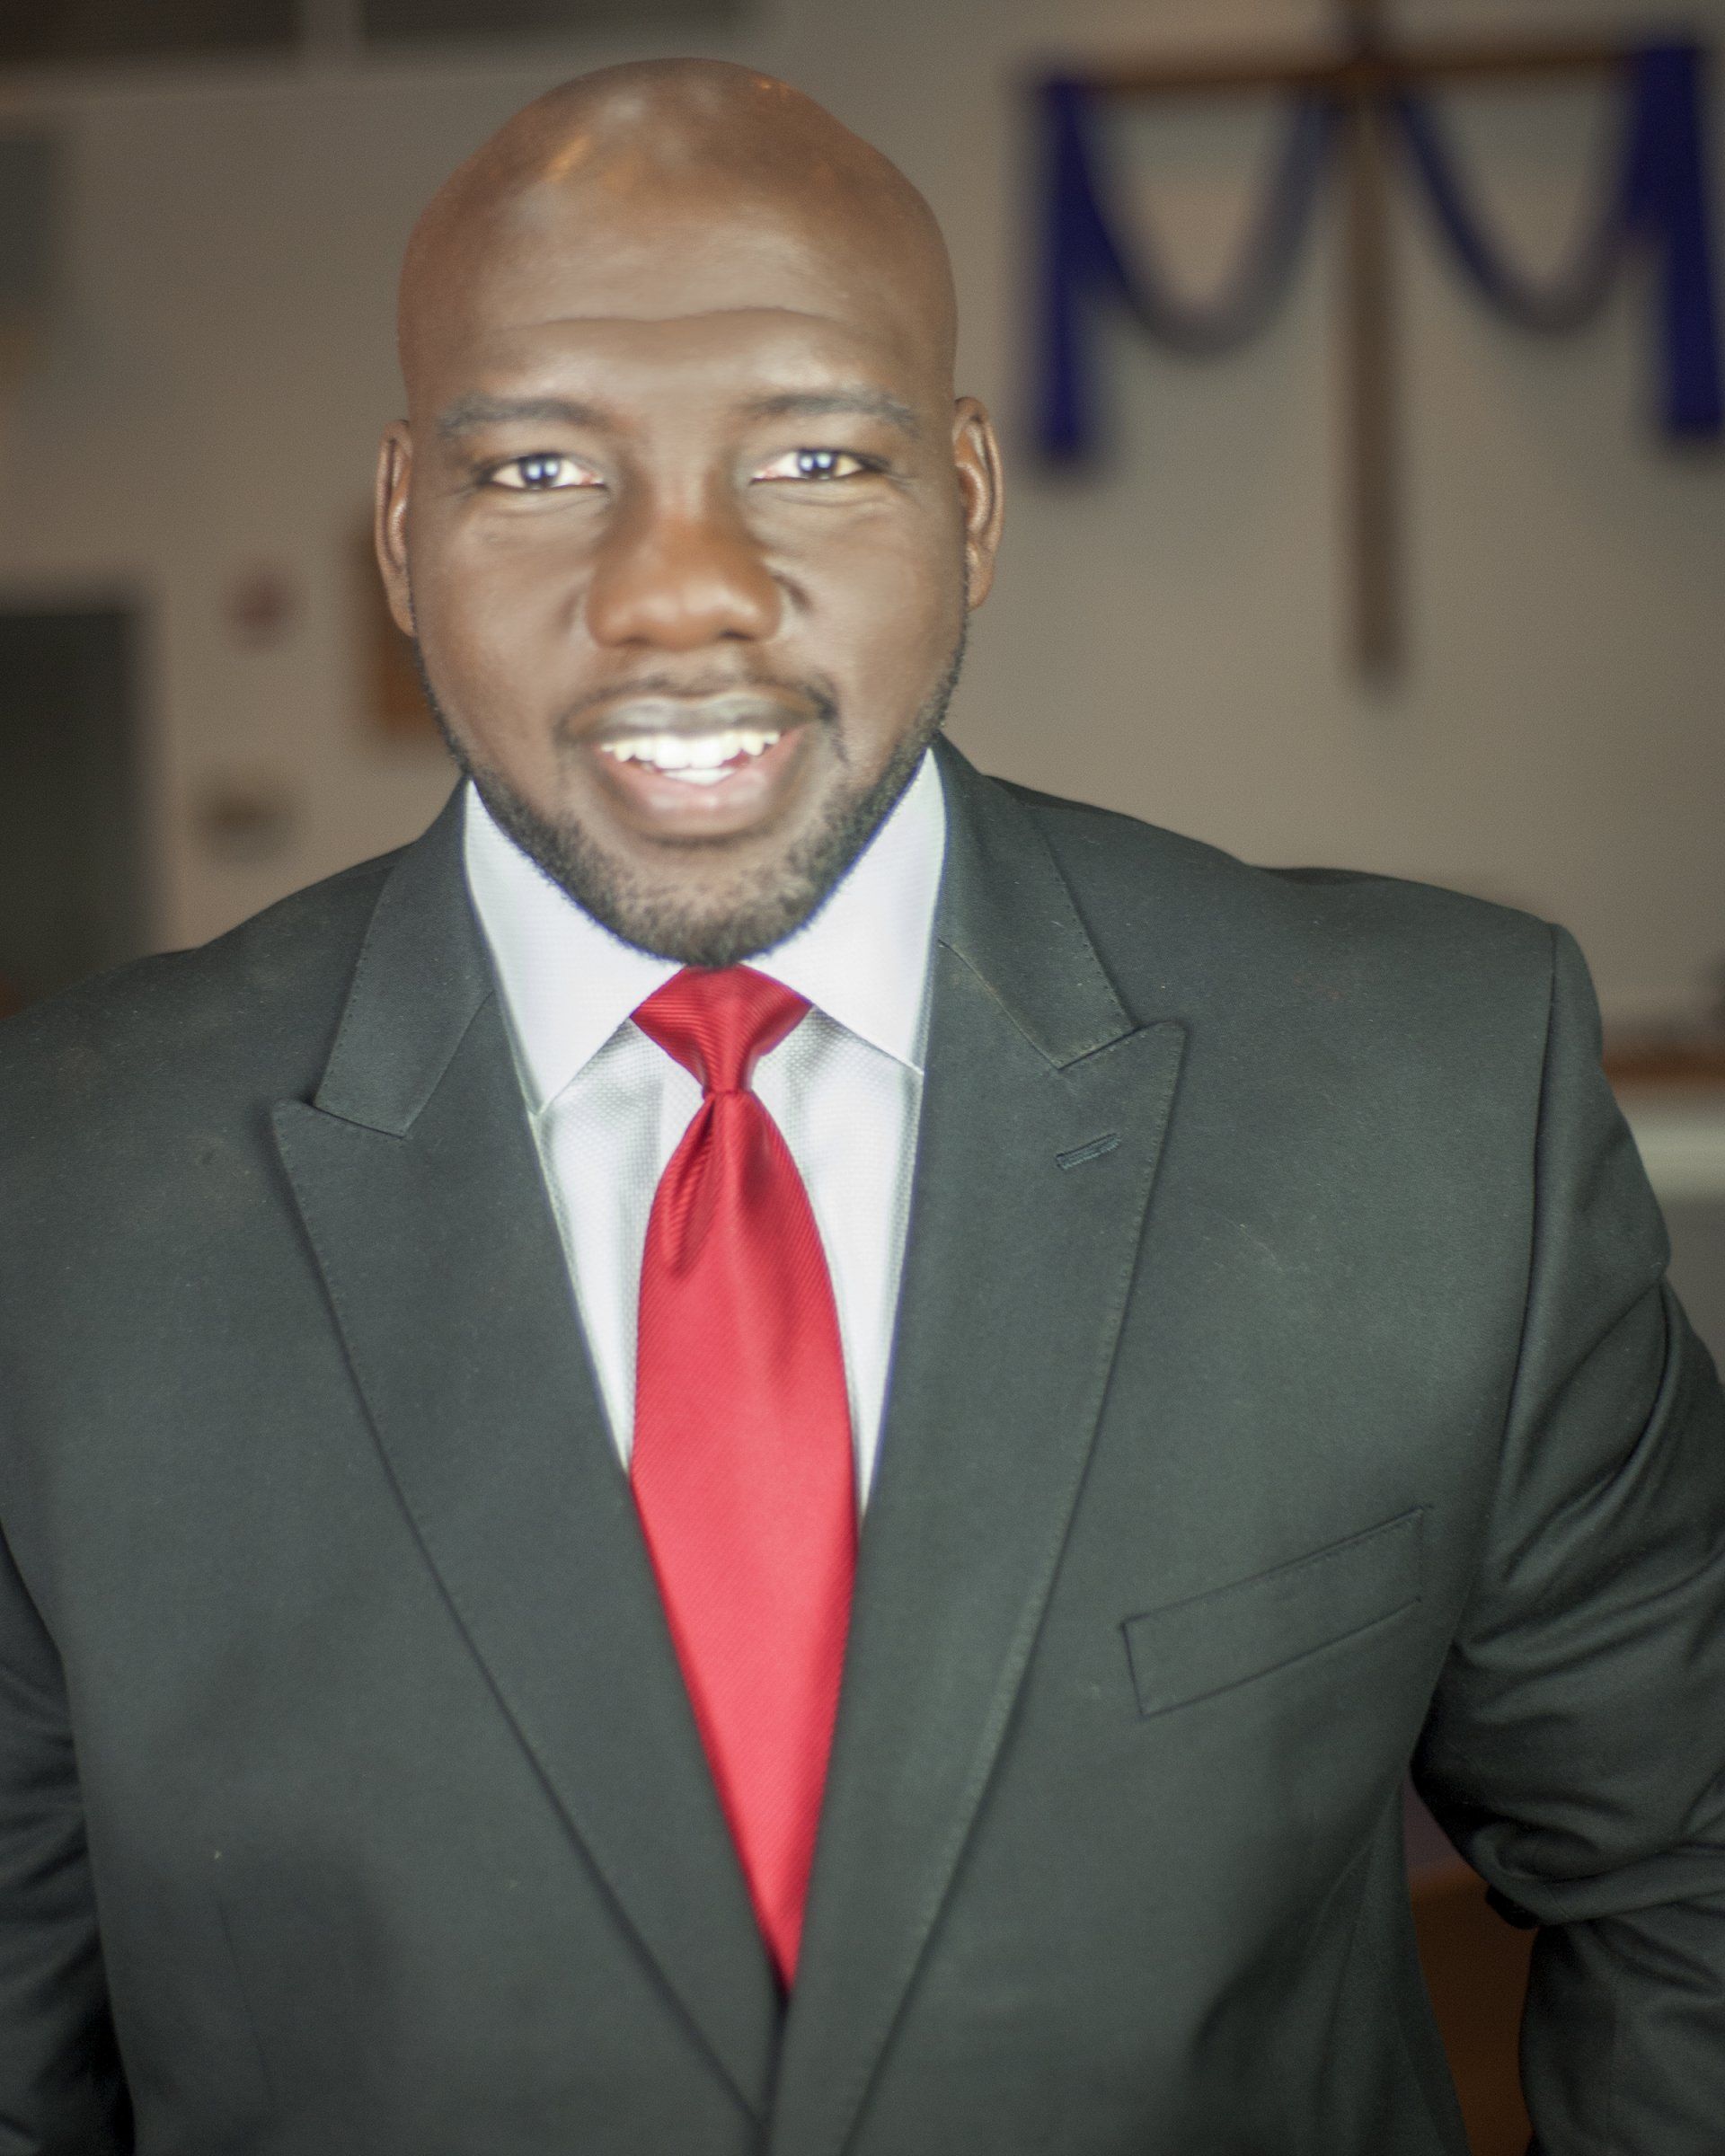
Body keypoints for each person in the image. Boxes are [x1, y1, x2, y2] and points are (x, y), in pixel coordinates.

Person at [1, 57, 1721, 2156]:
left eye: (815, 456)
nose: (678, 592)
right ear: (398, 527)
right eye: (538, 469)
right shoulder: (54, 1209)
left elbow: (1691, 1870)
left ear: (970, 499)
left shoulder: (1431, 1102)